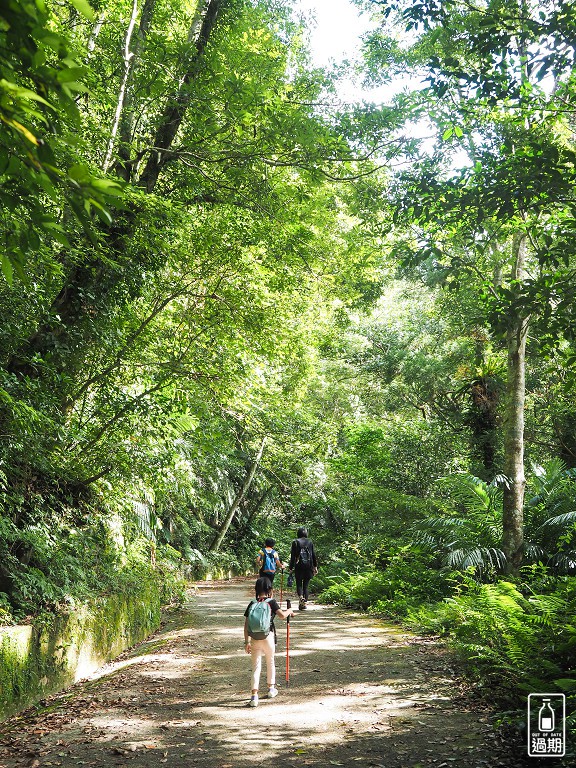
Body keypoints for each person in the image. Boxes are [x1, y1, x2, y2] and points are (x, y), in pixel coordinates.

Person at [244, 576, 294, 707]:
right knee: (270, 662)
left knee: (256, 667)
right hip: (268, 637)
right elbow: (282, 615)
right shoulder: (271, 602)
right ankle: (271, 689)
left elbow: (246, 624)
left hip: (254, 638)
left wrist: (246, 642)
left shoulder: (252, 604)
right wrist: (290, 611)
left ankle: (254, 696)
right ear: (269, 589)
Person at [289, 526, 318, 611]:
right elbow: (313, 555)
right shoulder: (310, 542)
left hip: (299, 566)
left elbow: (293, 557)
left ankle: (301, 597)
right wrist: (315, 567)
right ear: (306, 533)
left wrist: (291, 567)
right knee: (306, 586)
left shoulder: (295, 542)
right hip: (308, 566)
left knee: (299, 584)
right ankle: (304, 603)